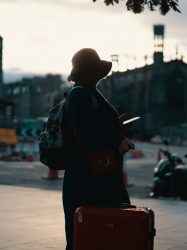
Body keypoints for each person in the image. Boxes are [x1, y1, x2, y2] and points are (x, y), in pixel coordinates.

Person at [61, 48, 134, 250]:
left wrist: (115, 128)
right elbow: (87, 133)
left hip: (97, 174)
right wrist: (115, 139)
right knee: (84, 235)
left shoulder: (89, 93)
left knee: (98, 233)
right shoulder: (79, 95)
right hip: (88, 177)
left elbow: (93, 127)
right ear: (89, 72)